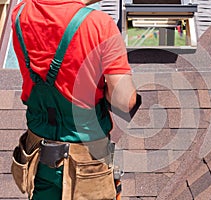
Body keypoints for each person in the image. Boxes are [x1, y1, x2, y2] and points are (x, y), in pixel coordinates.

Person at [10, 0, 138, 199]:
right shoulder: (99, 24)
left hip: (37, 156)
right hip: (86, 161)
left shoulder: (20, 13)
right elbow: (124, 100)